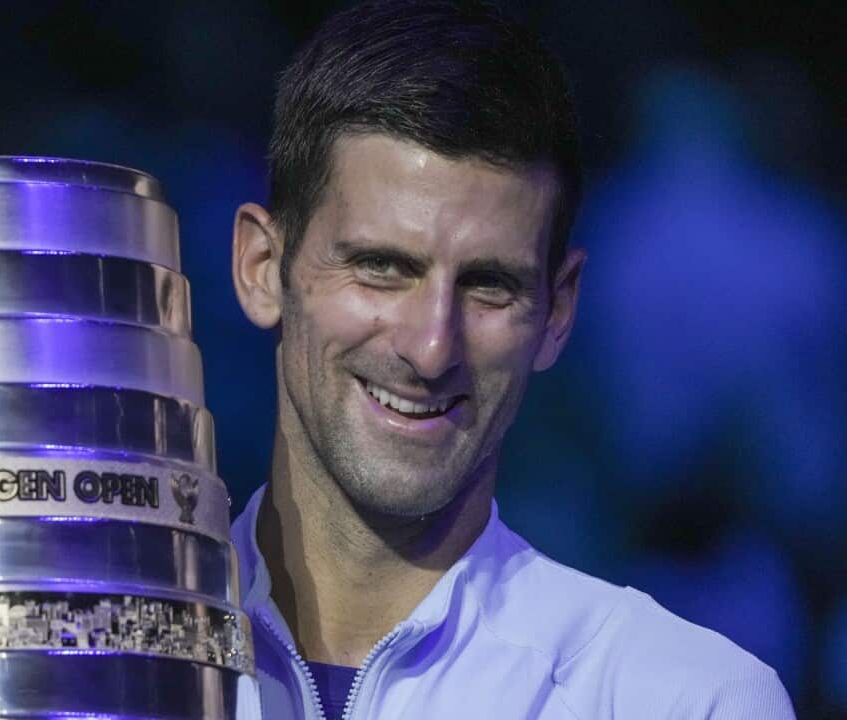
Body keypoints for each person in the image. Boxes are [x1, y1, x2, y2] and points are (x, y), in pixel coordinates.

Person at [228, 1, 795, 717]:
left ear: (558, 312)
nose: (431, 347)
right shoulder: (102, 651)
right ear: (261, 267)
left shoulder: (684, 699)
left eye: (488, 285)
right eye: (381, 267)